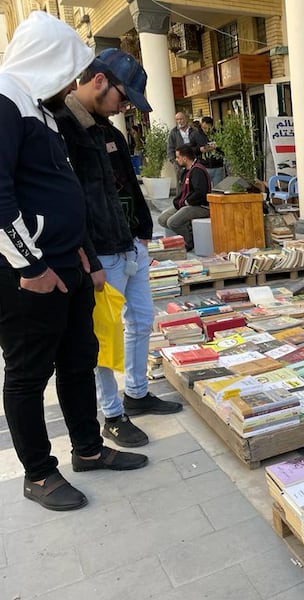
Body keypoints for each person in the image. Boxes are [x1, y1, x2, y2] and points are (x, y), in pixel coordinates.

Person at [0, 12, 148, 511]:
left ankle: (87, 448)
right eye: (68, 71)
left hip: (68, 263)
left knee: (78, 361)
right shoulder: (5, 100)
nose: (70, 83)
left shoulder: (37, 108)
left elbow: (59, 191)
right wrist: (30, 268)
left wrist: (82, 253)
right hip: (29, 275)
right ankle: (39, 473)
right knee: (27, 375)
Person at [54, 48, 184, 449]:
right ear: (99, 81)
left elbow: (128, 183)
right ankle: (112, 414)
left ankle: (137, 392)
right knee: (103, 338)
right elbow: (68, 201)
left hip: (130, 246)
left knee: (142, 321)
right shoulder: (62, 127)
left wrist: (143, 232)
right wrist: (88, 257)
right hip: (99, 256)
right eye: (122, 98)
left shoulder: (109, 132)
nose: (121, 107)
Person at [158, 144, 212, 251]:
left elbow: (200, 193)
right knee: (162, 219)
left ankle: (189, 241)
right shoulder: (185, 171)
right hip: (187, 204)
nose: (176, 160)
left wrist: (186, 202)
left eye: (178, 157)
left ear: (184, 158)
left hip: (201, 206)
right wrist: (178, 202)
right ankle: (188, 229)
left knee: (172, 222)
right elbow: (182, 192)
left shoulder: (197, 170)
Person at [167, 112, 205, 177]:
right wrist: (174, 162)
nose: (179, 121)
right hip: (180, 163)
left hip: (194, 161)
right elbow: (170, 149)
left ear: (186, 119)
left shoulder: (194, 130)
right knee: (182, 182)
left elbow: (201, 144)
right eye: (177, 119)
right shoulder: (174, 132)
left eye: (181, 119)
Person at [199, 116, 226, 185]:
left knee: (218, 189)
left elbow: (224, 149)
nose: (206, 130)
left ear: (212, 126)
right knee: (204, 190)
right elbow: (193, 149)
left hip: (217, 166)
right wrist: (200, 149)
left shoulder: (218, 134)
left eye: (207, 128)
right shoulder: (197, 135)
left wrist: (217, 147)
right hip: (204, 166)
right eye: (203, 128)